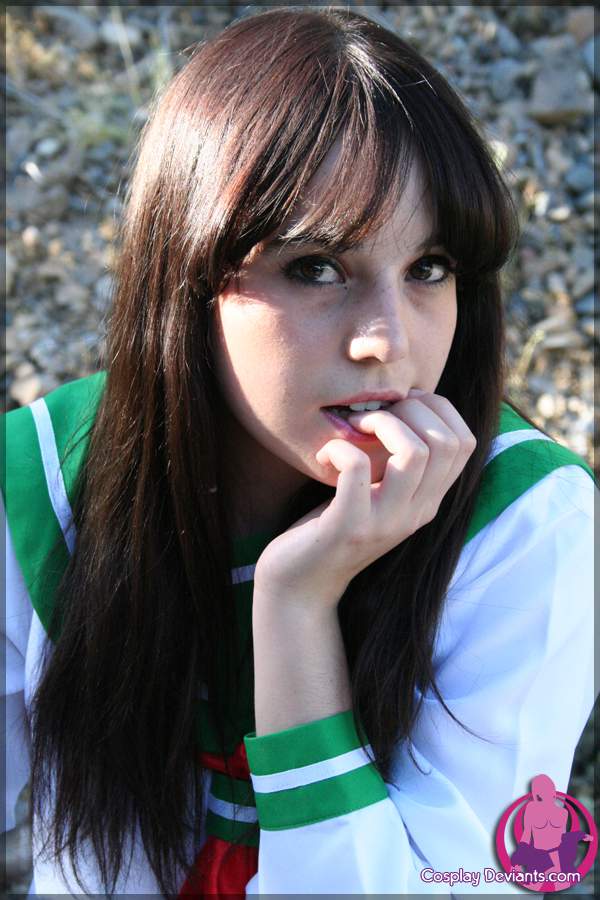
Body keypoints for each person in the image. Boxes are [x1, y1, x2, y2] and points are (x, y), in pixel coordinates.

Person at [3, 7, 596, 897]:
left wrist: (296, 606)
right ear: (187, 274)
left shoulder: (527, 523)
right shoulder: (46, 483)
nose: (386, 340)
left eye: (429, 268)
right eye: (317, 267)